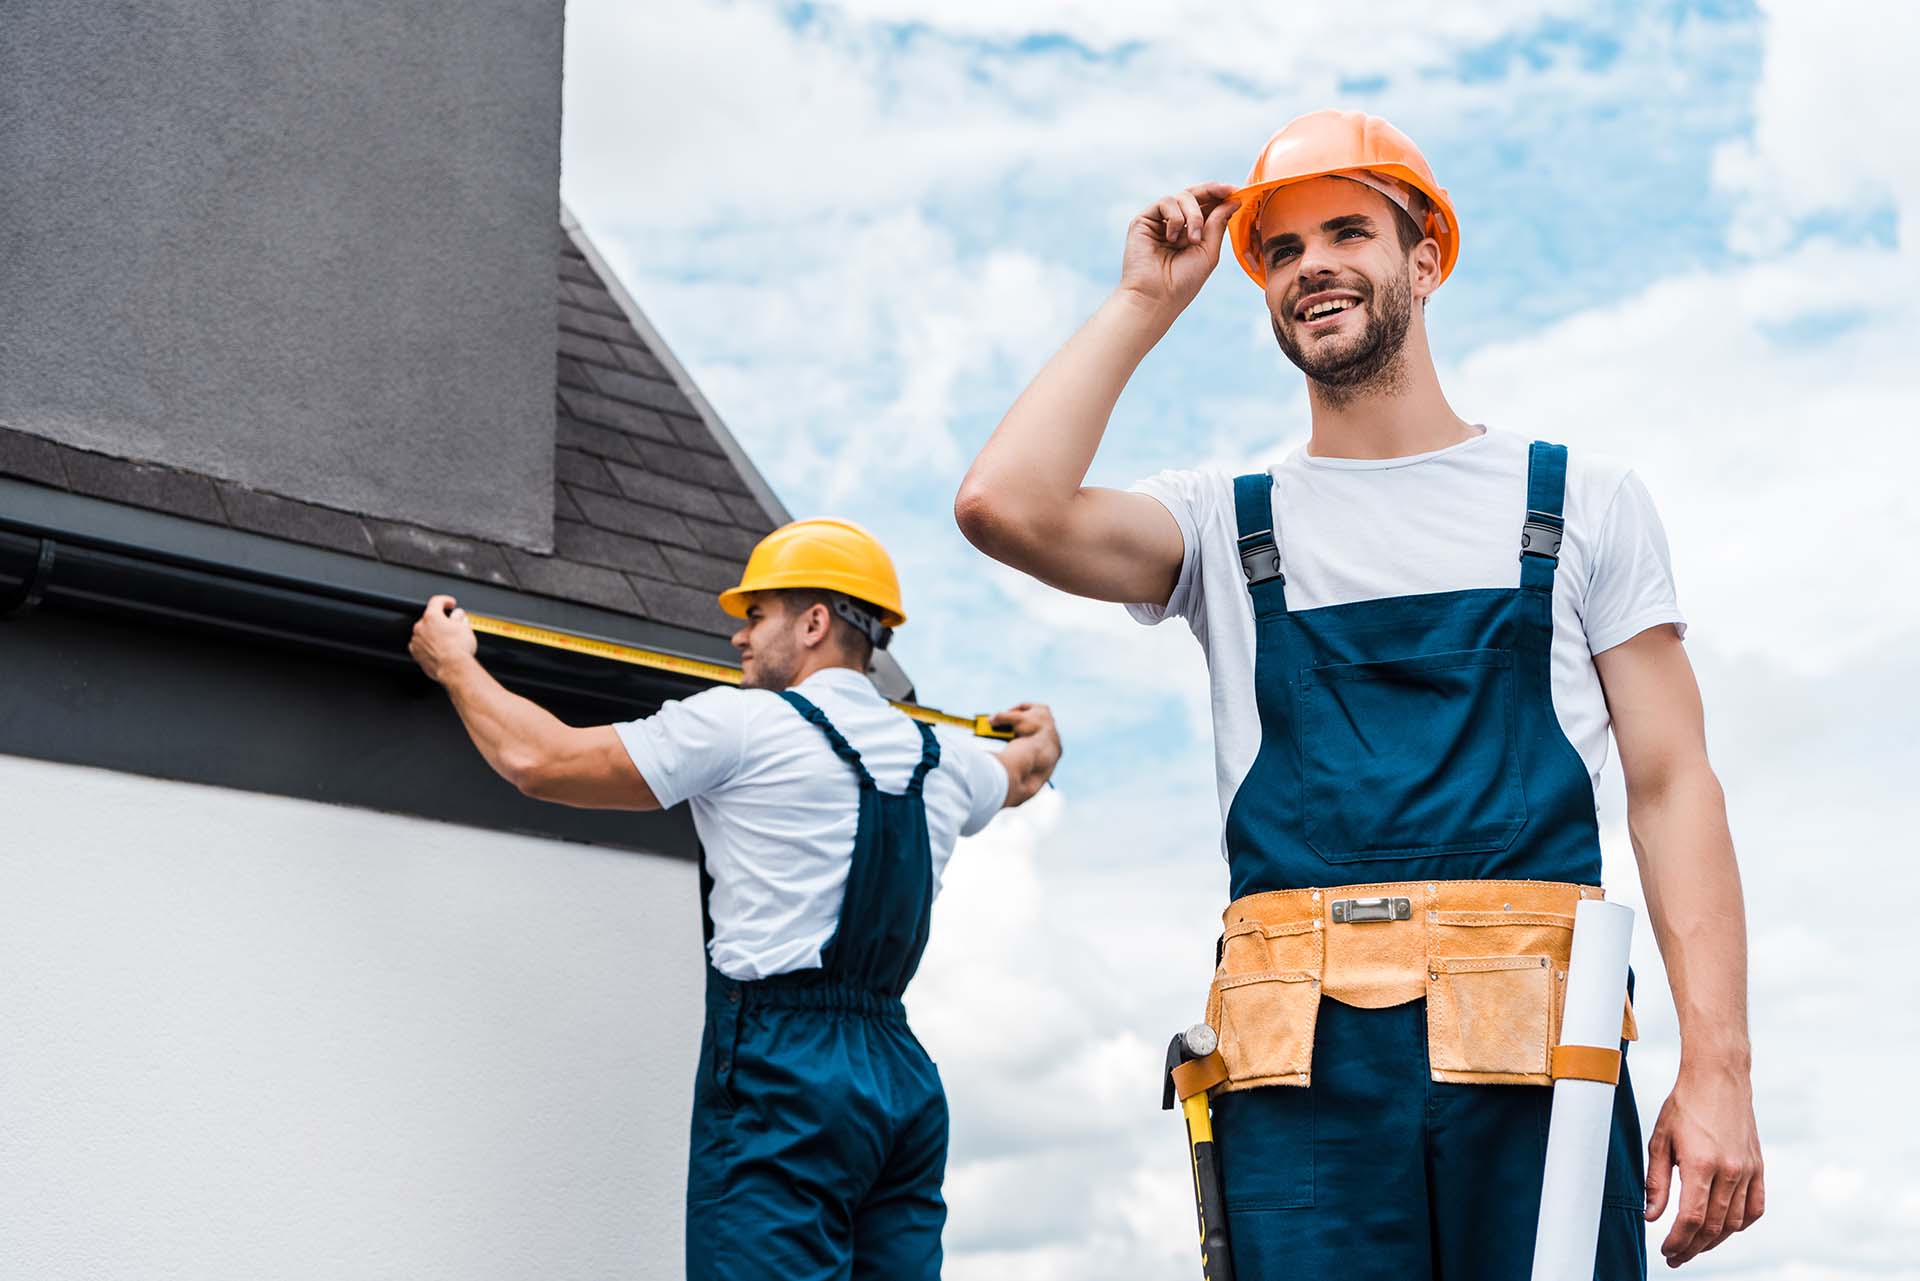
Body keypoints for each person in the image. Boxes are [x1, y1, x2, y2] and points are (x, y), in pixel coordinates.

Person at [954, 110, 1760, 1277]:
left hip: (1539, 1064)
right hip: (1305, 1087)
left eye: (1348, 231)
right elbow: (1003, 508)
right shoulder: (1223, 526)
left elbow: (1674, 784)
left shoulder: (1582, 499)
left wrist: (1719, 1069)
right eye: (1280, 251)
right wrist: (1146, 303)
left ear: (1425, 258)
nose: (1311, 265)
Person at [407, 516, 1062, 1280]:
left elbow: (539, 759)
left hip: (782, 1079)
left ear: (815, 622)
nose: (738, 638)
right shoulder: (944, 758)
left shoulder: (740, 726)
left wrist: (453, 664)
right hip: (900, 1084)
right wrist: (1042, 737)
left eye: (756, 615)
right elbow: (1022, 772)